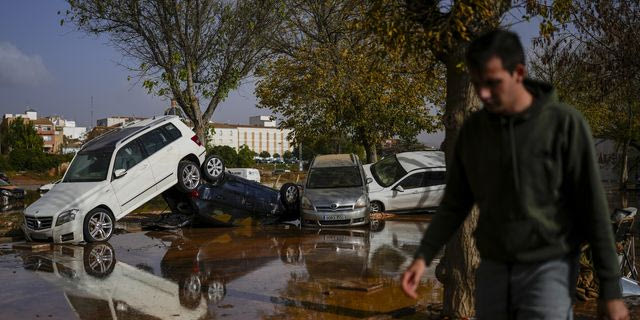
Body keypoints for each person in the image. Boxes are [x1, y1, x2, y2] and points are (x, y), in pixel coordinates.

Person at [401, 29, 629, 320]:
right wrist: (423, 255)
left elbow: (593, 208)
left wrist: (610, 289)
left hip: (550, 268)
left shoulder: (564, 124)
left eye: (493, 83)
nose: (483, 94)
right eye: (477, 83)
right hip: (493, 270)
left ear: (518, 72)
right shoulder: (474, 132)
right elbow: (455, 202)